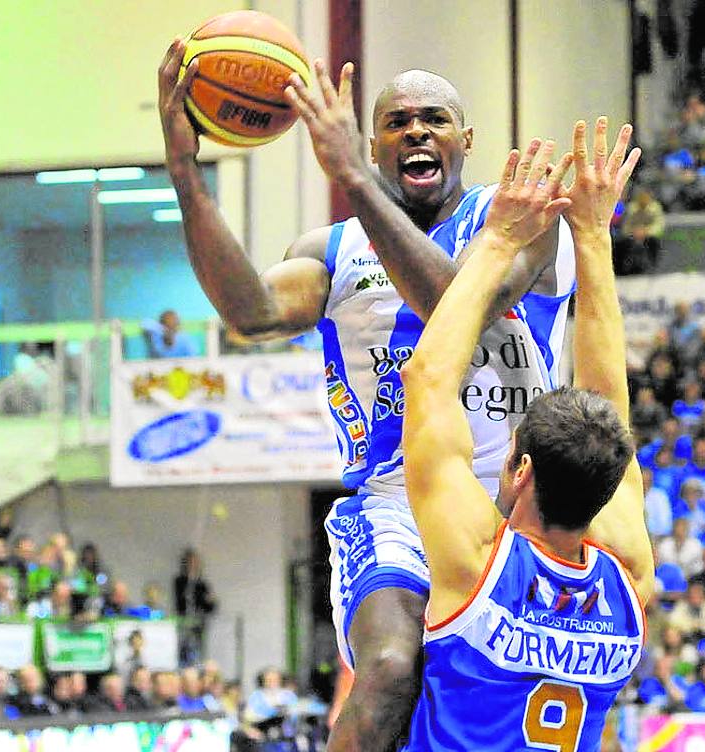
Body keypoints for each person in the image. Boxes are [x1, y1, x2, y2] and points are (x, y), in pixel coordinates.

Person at [159, 44, 576, 749]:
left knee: (499, 703)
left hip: (519, 504)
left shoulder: (518, 216)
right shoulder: (331, 249)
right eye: (396, 122)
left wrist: (351, 177)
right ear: (375, 145)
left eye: (434, 118)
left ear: (466, 139)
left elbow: (456, 309)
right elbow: (250, 312)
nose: (416, 131)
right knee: (386, 668)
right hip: (396, 504)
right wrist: (184, 175)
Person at [398, 119, 652, 750]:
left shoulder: (479, 566)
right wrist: (591, 237)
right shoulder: (627, 580)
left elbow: (426, 377)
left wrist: (498, 242)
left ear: (521, 469)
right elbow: (607, 404)